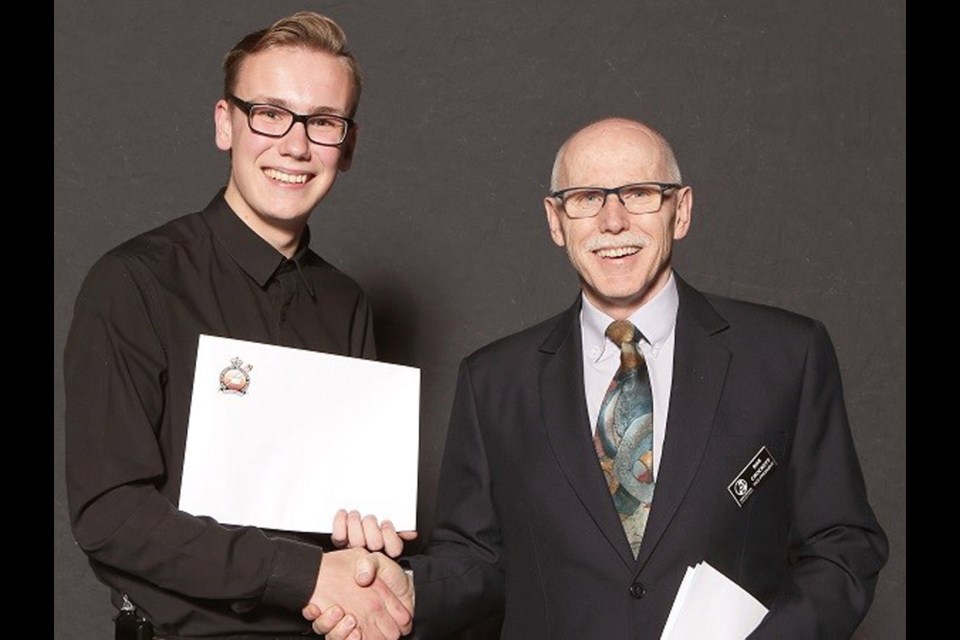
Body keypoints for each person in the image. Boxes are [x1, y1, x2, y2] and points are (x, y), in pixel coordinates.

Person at [318, 117, 889, 638]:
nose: (613, 221)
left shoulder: (787, 354)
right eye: (586, 198)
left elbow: (843, 546)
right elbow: (477, 561)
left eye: (640, 194)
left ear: (681, 210)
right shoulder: (494, 381)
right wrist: (412, 592)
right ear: (556, 221)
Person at [64, 12, 413, 639]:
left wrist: (367, 543)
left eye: (323, 123)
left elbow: (350, 507)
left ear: (348, 145)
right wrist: (304, 575)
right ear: (226, 123)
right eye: (270, 113)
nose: (296, 146)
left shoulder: (347, 303)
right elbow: (110, 516)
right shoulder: (134, 283)